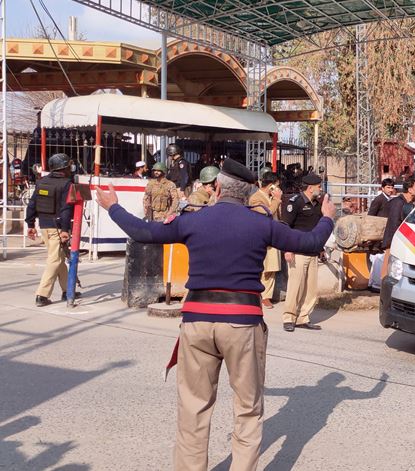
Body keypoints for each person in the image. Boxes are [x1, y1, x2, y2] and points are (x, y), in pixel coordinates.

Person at [95, 158, 335, 471]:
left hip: (197, 322)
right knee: (247, 409)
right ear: (248, 194)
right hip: (242, 323)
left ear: (217, 187)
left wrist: (113, 206)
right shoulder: (262, 224)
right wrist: (328, 217)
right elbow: (311, 241)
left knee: (193, 408)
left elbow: (143, 232)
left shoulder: (194, 220)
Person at [24, 153, 76, 307]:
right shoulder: (67, 184)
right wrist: (65, 230)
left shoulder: (42, 181)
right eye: (68, 166)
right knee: (54, 260)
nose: (70, 169)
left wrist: (31, 224)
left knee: (58, 258)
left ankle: (68, 290)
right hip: (58, 228)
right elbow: (66, 209)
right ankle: (42, 295)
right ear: (64, 168)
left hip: (44, 226)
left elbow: (32, 204)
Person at [281, 173, 326, 332]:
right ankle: (289, 317)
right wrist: (287, 248)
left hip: (312, 252)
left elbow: (318, 228)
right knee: (295, 287)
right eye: (319, 186)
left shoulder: (317, 204)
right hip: (297, 252)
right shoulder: (295, 202)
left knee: (310, 289)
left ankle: (303, 318)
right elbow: (285, 228)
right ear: (310, 187)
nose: (320, 189)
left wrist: (321, 248)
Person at [249, 171, 283, 309]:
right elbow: (266, 213)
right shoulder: (256, 198)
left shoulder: (271, 197)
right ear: (271, 186)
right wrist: (276, 200)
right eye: (276, 186)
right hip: (261, 238)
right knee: (261, 268)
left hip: (273, 237)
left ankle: (267, 296)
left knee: (272, 268)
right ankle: (259, 294)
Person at [381, 176, 415, 280]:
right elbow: (393, 224)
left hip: (403, 242)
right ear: (410, 190)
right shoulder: (398, 202)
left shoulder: (409, 203)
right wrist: (394, 243)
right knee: (387, 268)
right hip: (394, 241)